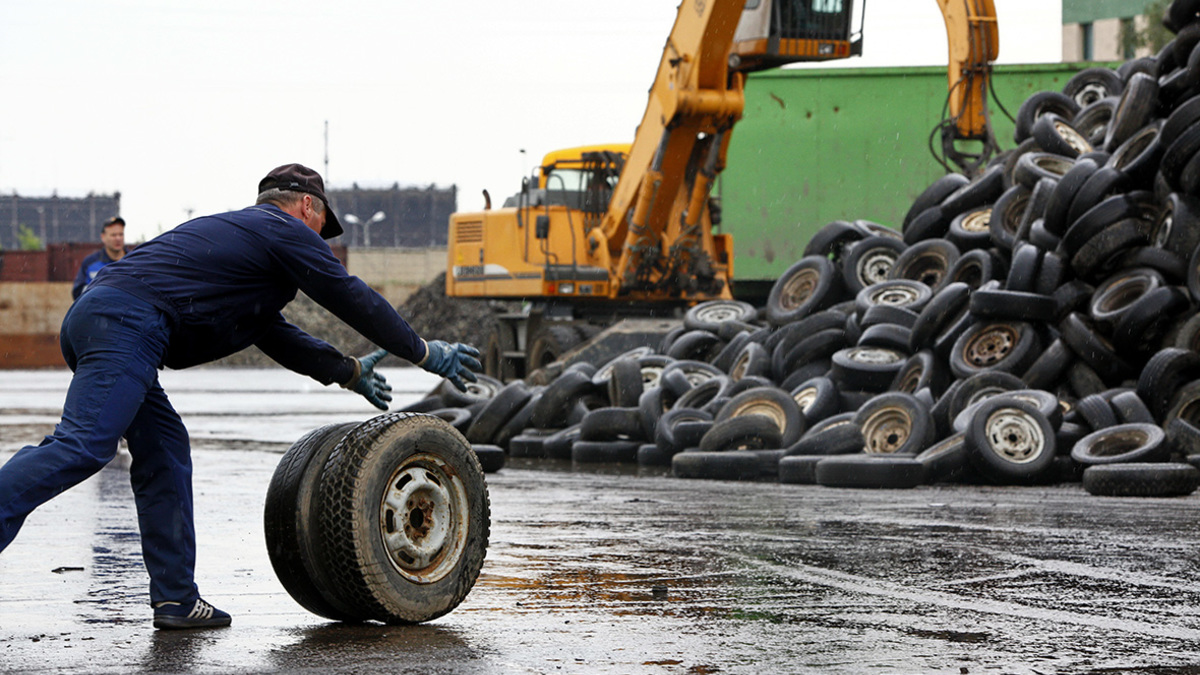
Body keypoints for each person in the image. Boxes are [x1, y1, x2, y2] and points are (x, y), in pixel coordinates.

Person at [0, 164, 481, 630]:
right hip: (126, 323)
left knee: (164, 452)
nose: (322, 238)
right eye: (321, 227)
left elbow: (271, 333)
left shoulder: (243, 249)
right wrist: (421, 351)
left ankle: (176, 600)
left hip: (104, 318)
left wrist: (347, 371)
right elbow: (348, 294)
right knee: (83, 445)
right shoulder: (281, 229)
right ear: (307, 206)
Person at [71, 216, 129, 300]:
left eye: (121, 234)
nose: (118, 238)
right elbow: (77, 293)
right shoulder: (90, 263)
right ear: (103, 237)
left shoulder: (134, 261)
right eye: (113, 235)